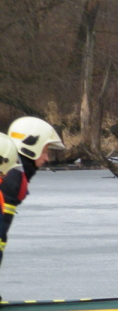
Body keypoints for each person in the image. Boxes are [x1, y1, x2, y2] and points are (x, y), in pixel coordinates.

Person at [1, 117, 65, 276]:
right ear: (30, 147)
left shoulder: (13, 172)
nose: (47, 158)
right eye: (44, 151)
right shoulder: (13, 178)